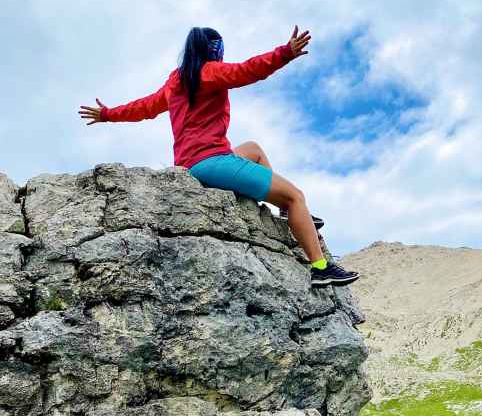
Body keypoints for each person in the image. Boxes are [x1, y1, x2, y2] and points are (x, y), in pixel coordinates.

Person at [78, 25, 359, 288]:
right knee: (296, 195)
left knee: (254, 149)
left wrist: (107, 114)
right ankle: (320, 267)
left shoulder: (175, 82)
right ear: (213, 50)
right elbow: (247, 70)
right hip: (212, 163)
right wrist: (285, 53)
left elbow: (144, 107)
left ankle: (286, 214)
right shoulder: (208, 72)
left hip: (191, 165)